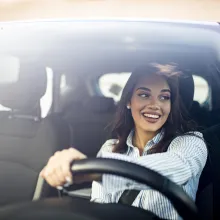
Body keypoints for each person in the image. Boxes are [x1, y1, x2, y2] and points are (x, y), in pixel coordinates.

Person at [40, 63, 207, 220]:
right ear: (128, 101)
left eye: (164, 97)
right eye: (144, 95)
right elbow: (100, 207)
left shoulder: (191, 142)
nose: (155, 105)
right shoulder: (110, 148)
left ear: (171, 105)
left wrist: (100, 172)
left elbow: (180, 167)